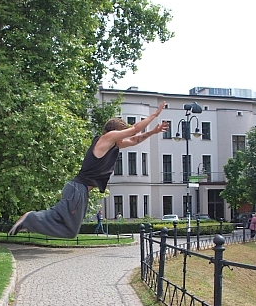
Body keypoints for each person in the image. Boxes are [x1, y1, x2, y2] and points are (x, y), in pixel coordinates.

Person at [9, 102, 169, 238]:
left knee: (68, 229)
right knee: (66, 227)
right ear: (113, 131)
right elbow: (134, 130)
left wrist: (153, 132)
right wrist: (155, 114)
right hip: (78, 189)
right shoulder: (105, 139)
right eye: (121, 134)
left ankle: (31, 221)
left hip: (79, 191)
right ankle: (30, 219)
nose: (122, 139)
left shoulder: (113, 145)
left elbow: (134, 139)